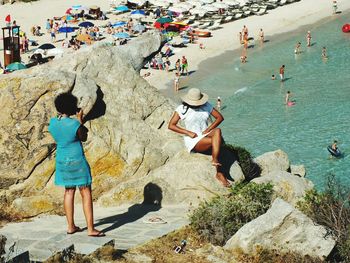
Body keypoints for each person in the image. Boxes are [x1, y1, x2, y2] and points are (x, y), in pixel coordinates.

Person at [48, 93, 105, 237]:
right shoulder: (74, 124)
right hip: (77, 160)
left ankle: (70, 226)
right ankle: (91, 229)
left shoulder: (53, 122)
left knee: (69, 191)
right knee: (85, 192)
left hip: (62, 161)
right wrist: (80, 121)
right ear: (72, 107)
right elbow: (83, 137)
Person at [168, 88, 230, 187]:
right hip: (194, 140)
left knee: (217, 131)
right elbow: (171, 125)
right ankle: (219, 172)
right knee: (215, 142)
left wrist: (208, 129)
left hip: (205, 134)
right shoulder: (182, 109)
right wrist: (187, 132)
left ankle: (215, 160)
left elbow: (220, 118)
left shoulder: (206, 106)